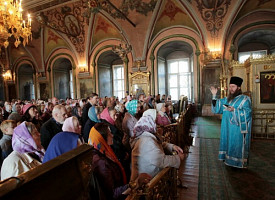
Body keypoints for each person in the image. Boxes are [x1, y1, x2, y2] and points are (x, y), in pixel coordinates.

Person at [130, 109, 185, 182]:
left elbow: (157, 145)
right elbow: (161, 160)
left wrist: (172, 147)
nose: (158, 126)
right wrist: (178, 158)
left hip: (148, 178)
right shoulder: (147, 141)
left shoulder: (146, 135)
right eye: (156, 123)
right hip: (146, 184)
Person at [210, 76, 252, 168]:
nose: (231, 89)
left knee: (235, 145)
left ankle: (238, 163)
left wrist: (234, 110)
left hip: (237, 130)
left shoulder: (245, 99)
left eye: (233, 87)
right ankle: (228, 160)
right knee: (227, 144)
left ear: (239, 88)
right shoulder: (227, 99)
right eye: (230, 86)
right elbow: (217, 108)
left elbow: (248, 113)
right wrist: (214, 95)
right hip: (226, 128)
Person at [88, 123, 128, 199]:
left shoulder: (103, 151)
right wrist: (131, 186)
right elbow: (112, 193)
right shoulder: (101, 163)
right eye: (109, 134)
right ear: (102, 138)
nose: (112, 135)